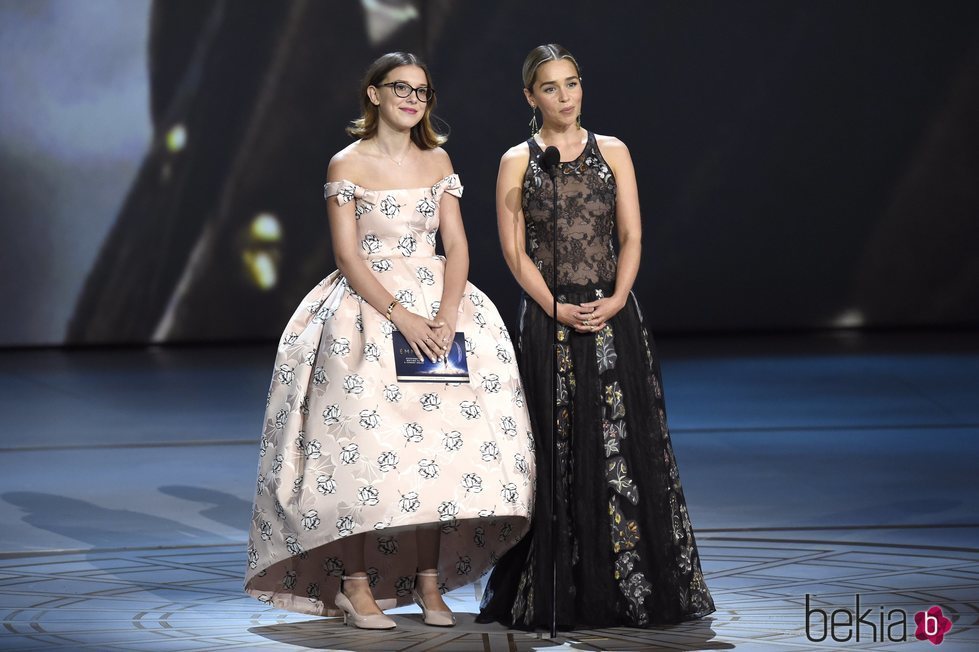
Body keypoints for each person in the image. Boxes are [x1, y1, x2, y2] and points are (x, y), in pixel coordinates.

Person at [243, 52, 535, 630]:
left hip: (439, 308)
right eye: (400, 88)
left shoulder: (438, 159)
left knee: (433, 454)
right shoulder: (346, 163)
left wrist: (448, 313)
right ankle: (355, 587)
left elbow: (457, 244)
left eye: (422, 92)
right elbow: (348, 255)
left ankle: (429, 585)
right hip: (368, 313)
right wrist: (401, 316)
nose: (412, 99)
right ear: (373, 94)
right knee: (364, 455)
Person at [476, 44, 715, 630]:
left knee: (621, 450)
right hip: (547, 320)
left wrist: (614, 298)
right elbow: (513, 250)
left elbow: (631, 235)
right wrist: (555, 307)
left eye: (573, 83)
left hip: (613, 316)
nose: (566, 96)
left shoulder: (613, 152)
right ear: (531, 97)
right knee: (556, 451)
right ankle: (559, 590)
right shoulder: (518, 160)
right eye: (551, 87)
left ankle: (628, 589)